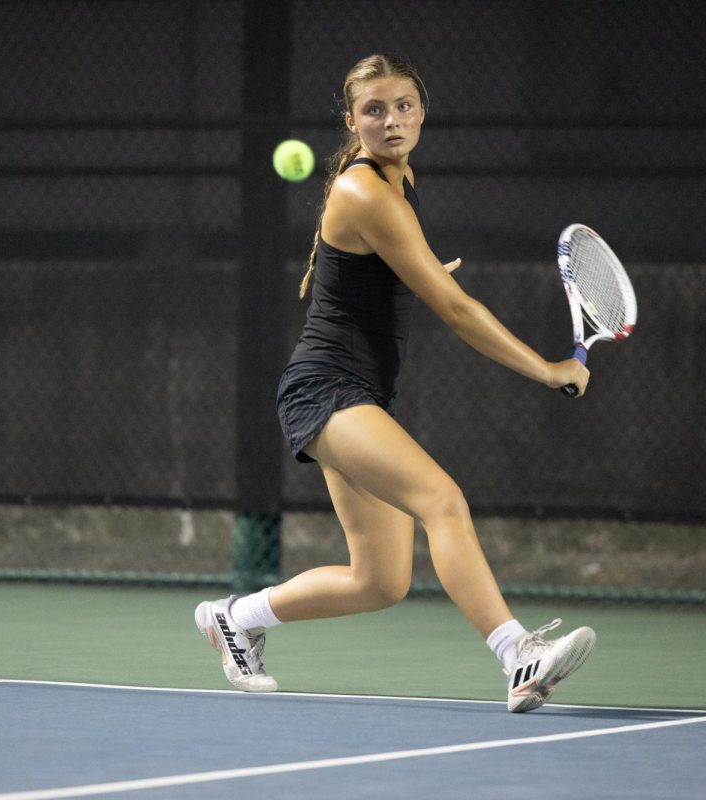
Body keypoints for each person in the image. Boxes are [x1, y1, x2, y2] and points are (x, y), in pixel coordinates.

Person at [195, 53, 595, 713]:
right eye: (374, 109)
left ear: (421, 113)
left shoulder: (397, 181)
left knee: (378, 581)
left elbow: (376, 272)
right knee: (441, 499)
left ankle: (235, 619)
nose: (391, 120)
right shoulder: (365, 189)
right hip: (326, 389)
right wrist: (550, 369)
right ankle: (518, 655)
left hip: (354, 391)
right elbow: (457, 310)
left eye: (404, 106)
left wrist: (417, 265)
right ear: (351, 120)